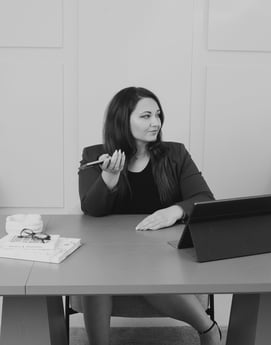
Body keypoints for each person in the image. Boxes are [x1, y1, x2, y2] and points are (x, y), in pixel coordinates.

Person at [78, 86, 221, 345]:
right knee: (95, 278)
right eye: (146, 116)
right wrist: (108, 178)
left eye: (157, 115)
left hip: (162, 253)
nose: (155, 122)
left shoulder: (175, 154)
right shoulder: (94, 156)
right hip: (110, 253)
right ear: (123, 120)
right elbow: (91, 210)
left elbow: (204, 199)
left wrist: (174, 211)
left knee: (146, 274)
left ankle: (208, 329)